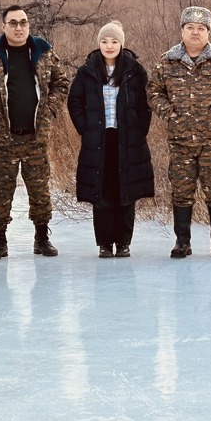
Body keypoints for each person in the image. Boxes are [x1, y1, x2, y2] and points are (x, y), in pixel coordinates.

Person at [147, 6, 211, 259]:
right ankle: (182, 242)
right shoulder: (167, 60)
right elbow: (153, 91)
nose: (195, 32)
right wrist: (167, 112)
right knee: (181, 191)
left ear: (208, 33)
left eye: (201, 29)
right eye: (190, 27)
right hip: (180, 140)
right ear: (182, 30)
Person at [0, 5, 70, 261]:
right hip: (3, 137)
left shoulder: (42, 51)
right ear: (3, 26)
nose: (19, 27)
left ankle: (41, 237)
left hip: (35, 137)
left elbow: (60, 83)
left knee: (39, 189)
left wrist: (49, 110)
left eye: (23, 22)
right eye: (13, 23)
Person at [67, 21, 154, 258]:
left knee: (124, 191)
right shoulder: (88, 70)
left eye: (114, 41)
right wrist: (85, 128)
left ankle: (123, 242)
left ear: (121, 44)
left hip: (127, 139)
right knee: (102, 192)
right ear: (99, 44)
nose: (109, 45)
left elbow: (146, 104)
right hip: (99, 140)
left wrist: (139, 130)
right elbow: (74, 101)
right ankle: (105, 243)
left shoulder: (135, 70)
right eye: (105, 41)